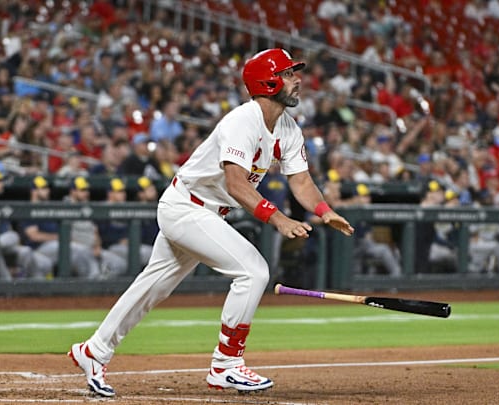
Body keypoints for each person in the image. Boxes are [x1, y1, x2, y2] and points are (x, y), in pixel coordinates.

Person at [67, 49, 354, 397]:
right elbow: (236, 184)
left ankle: (93, 351)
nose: (298, 80)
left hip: (203, 211)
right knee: (253, 271)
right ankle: (226, 365)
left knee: (151, 287)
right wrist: (277, 218)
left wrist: (324, 211)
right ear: (269, 81)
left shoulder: (288, 128)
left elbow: (301, 181)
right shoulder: (242, 121)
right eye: (290, 73)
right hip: (187, 207)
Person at [19, 176, 99, 278]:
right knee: (79, 249)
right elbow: (34, 236)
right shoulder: (28, 209)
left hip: (55, 246)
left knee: (79, 253)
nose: (47, 191)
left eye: (47, 188)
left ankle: (89, 282)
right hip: (39, 248)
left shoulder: (50, 208)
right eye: (43, 188)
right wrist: (60, 237)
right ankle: (93, 279)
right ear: (33, 191)